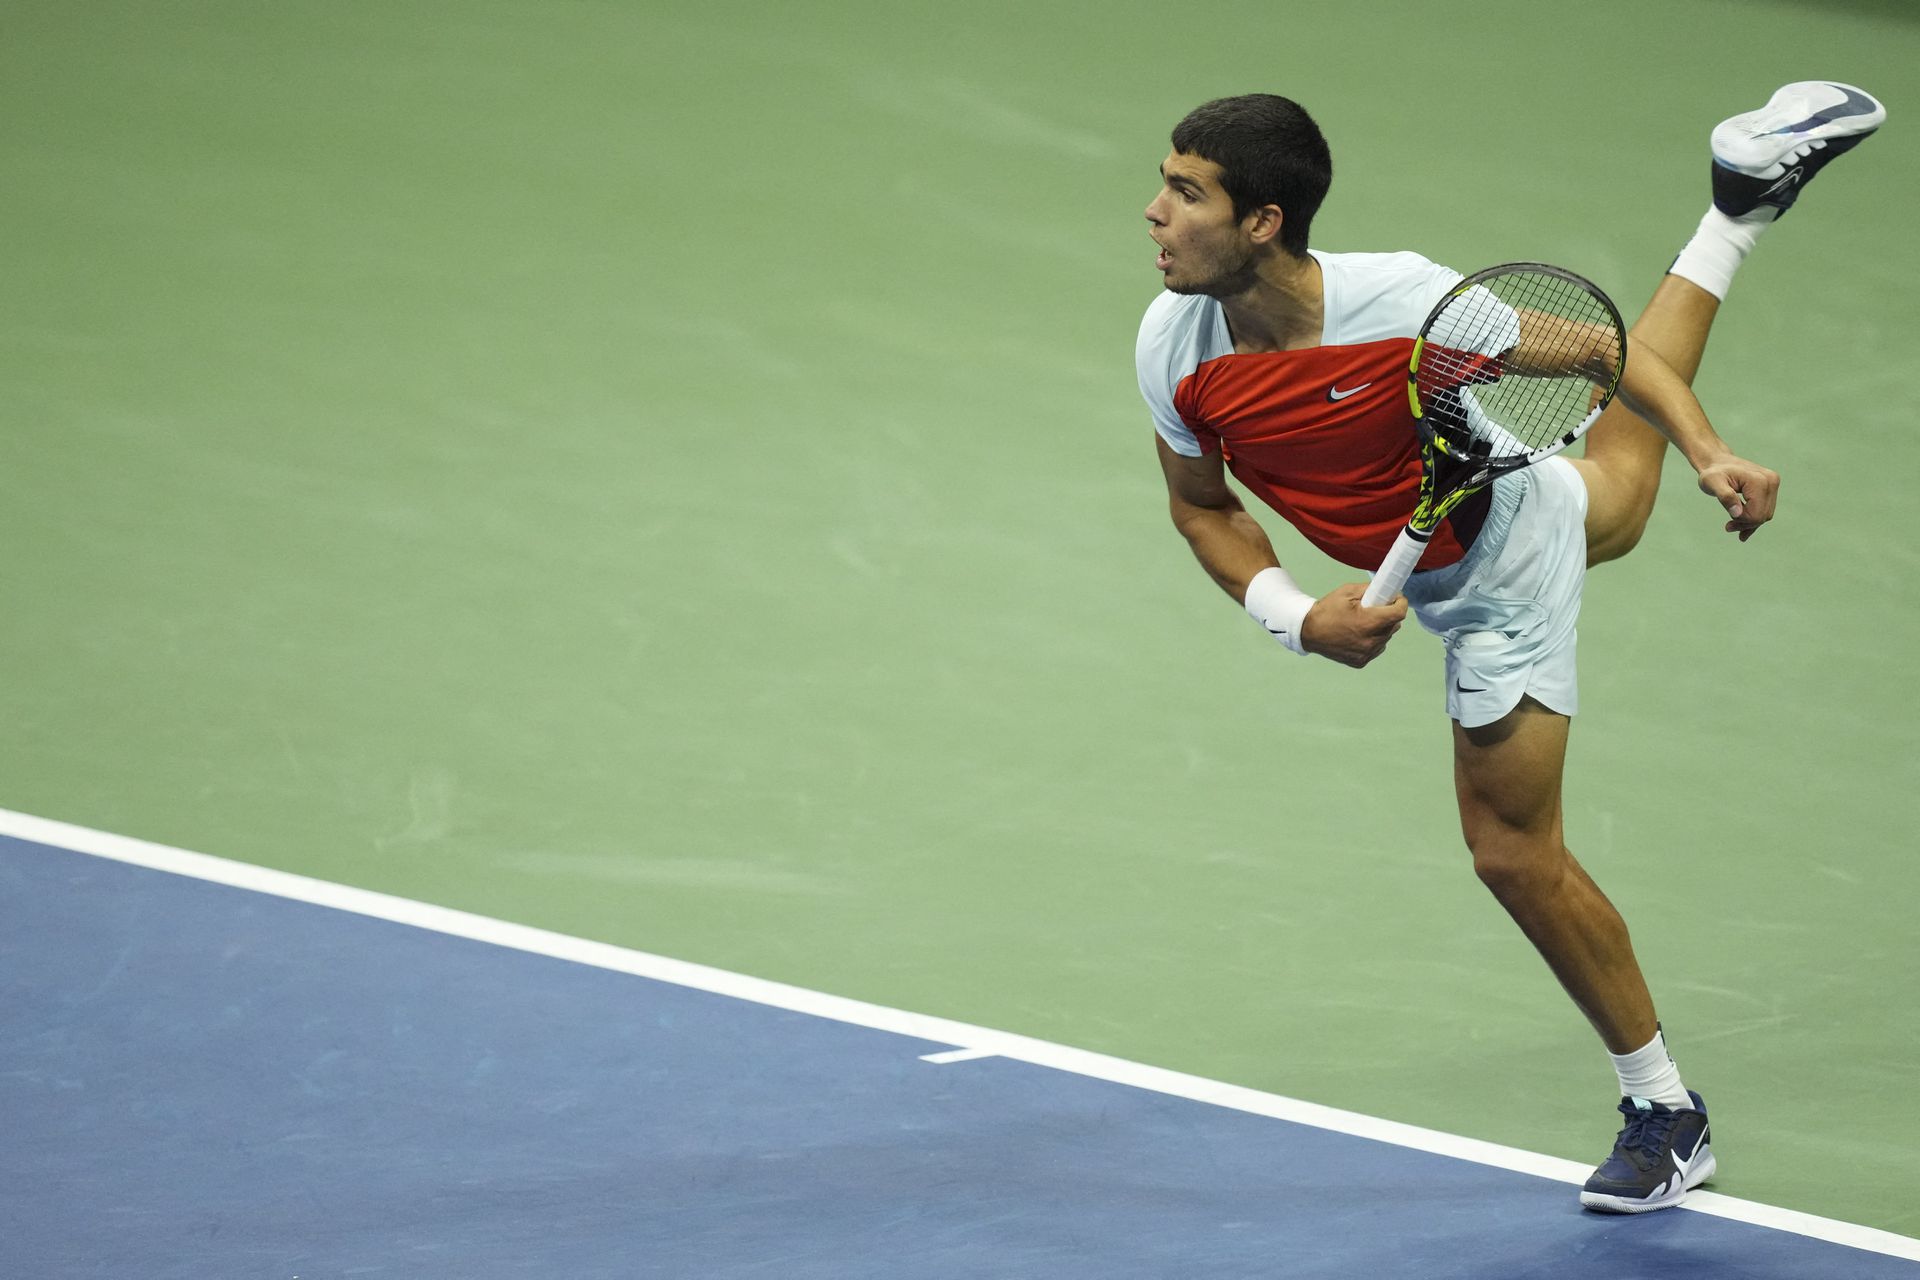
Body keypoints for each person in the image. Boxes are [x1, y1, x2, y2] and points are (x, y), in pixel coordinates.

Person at [1135, 82, 1884, 1213]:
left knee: (1510, 850)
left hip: (1500, 567)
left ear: (1264, 222)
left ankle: (1666, 1114)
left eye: (1186, 192)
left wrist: (1713, 451)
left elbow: (1594, 352)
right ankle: (1738, 205)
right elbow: (1202, 505)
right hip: (1475, 516)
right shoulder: (1173, 343)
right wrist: (1295, 614)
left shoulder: (1404, 303)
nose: (1153, 211)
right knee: (1621, 498)